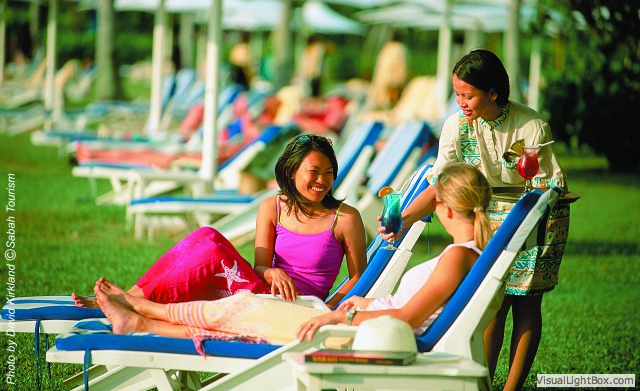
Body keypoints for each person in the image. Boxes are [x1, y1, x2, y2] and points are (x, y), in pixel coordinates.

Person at [91, 163, 493, 348]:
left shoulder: (457, 257)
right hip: (359, 322)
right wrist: (362, 304)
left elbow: (406, 319)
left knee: (239, 311)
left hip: (358, 333)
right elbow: (404, 310)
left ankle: (142, 315)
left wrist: (337, 316)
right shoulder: (463, 255)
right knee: (239, 310)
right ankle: (141, 315)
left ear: (443, 207)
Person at [391, 49, 570, 391]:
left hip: (535, 216)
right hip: (486, 217)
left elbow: (547, 185)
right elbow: (439, 182)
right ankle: (483, 383)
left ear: (493, 93)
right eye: (457, 94)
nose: (461, 102)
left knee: (526, 303)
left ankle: (511, 388)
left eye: (468, 95)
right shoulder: (455, 126)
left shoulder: (531, 125)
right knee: (490, 302)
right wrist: (403, 219)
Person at [74, 134, 367, 310]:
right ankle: (130, 296)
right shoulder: (272, 208)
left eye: (329, 173)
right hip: (264, 294)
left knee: (212, 255)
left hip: (296, 307)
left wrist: (327, 309)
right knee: (206, 235)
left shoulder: (345, 218)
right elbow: (261, 268)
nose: (322, 180)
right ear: (291, 172)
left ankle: (128, 300)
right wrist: (273, 273)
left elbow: (358, 277)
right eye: (314, 172)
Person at [367, 32, 408, 110]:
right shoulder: (400, 49)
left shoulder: (385, 48)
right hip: (392, 80)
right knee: (391, 103)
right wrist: (399, 80)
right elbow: (401, 67)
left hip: (382, 79)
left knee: (381, 101)